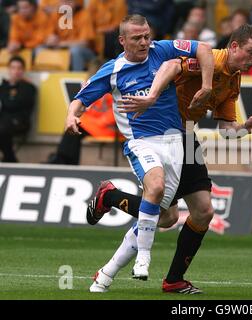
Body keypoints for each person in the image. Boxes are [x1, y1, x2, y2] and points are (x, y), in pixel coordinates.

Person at [87, 24, 252, 294]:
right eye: (251, 52)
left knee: (199, 212)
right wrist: (155, 95)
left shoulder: (233, 79)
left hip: (186, 137)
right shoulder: (211, 60)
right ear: (234, 46)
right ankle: (110, 199)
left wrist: (246, 128)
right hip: (164, 134)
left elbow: (226, 131)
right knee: (164, 215)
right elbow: (170, 66)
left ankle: (173, 280)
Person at [64, 14, 214, 287]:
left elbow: (203, 48)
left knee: (165, 217)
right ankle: (143, 257)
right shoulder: (113, 70)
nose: (145, 42)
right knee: (154, 188)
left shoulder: (163, 50)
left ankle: (106, 272)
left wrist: (206, 86)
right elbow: (81, 99)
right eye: (137, 38)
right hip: (141, 142)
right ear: (122, 41)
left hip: (175, 144)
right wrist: (71, 116)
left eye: (147, 35)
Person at [0, 56, 36, 162]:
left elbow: (12, 104)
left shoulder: (29, 88)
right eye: (13, 68)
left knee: (2, 129)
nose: (16, 71)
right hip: (3, 122)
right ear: (9, 70)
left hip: (20, 122)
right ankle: (10, 158)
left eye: (19, 68)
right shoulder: (3, 87)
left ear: (23, 70)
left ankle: (9, 159)